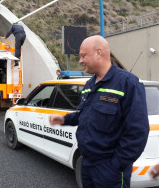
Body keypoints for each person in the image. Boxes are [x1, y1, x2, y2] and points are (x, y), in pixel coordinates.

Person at [49, 35, 149, 188]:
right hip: (87, 163)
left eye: (83, 56)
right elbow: (85, 115)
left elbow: (138, 132)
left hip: (109, 168)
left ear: (99, 53)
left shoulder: (128, 83)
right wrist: (63, 120)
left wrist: (116, 165)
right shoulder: (90, 84)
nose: (80, 61)